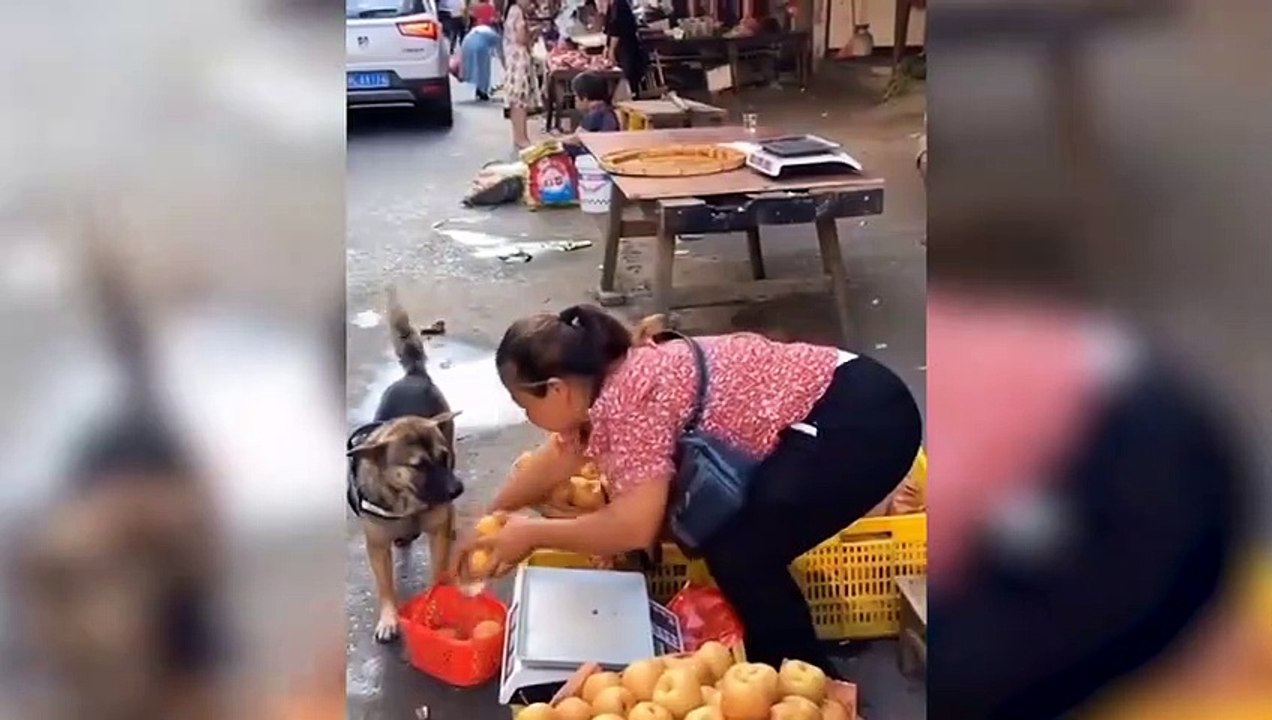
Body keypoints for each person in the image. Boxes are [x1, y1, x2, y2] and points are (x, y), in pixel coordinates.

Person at [468, 305, 923, 672]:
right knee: (733, 538)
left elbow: (633, 528)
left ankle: (808, 684)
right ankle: (779, 672)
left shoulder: (627, 402)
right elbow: (560, 458)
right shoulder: (601, 384)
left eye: (522, 404)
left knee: (741, 545)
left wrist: (530, 535)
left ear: (555, 390)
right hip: (843, 400)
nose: (525, 416)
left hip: (863, 419)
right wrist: (494, 515)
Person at [501, 0, 537, 149]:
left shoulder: (512, 10)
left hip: (512, 56)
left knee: (516, 99)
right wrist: (533, 32)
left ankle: (519, 136)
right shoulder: (517, 12)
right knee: (520, 100)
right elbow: (521, 38)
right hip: (519, 58)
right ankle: (522, 138)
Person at [562, 70, 619, 156]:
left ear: (584, 98)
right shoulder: (607, 111)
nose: (575, 100)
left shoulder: (595, 114)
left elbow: (576, 138)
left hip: (599, 154)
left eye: (576, 96)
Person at [601, 0, 648, 98]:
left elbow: (616, 30)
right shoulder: (612, 5)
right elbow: (609, 29)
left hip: (626, 46)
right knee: (618, 74)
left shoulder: (619, 4)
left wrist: (611, 50)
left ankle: (633, 97)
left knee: (627, 74)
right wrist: (607, 46)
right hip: (619, 46)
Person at [459, 23, 503, 101]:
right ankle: (482, 91)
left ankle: (478, 87)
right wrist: (505, 65)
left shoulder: (483, 29)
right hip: (480, 44)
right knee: (483, 69)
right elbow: (500, 52)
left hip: (467, 41)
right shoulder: (496, 36)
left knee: (472, 66)